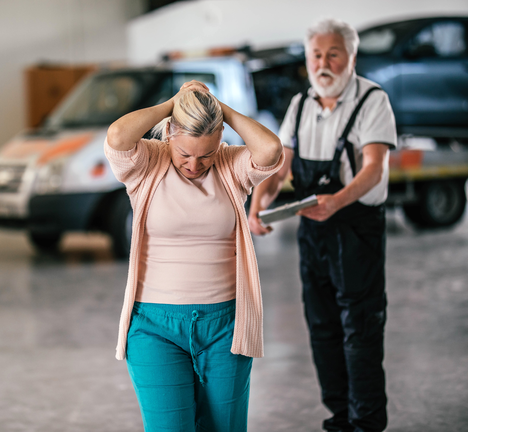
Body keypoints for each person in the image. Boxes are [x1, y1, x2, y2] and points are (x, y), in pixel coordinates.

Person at [105, 80, 284, 432]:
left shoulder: (231, 165)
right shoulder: (147, 163)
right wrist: (175, 102)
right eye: (185, 153)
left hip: (225, 327)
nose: (194, 164)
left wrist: (221, 109)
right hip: (155, 328)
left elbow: (270, 151)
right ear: (169, 134)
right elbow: (117, 136)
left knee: (225, 428)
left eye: (206, 154)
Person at [248, 18, 397, 432]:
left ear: (350, 56)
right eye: (316, 54)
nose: (323, 63)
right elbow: (280, 168)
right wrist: (261, 199)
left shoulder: (372, 101)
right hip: (314, 231)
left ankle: (366, 423)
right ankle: (340, 418)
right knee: (322, 327)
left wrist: (338, 201)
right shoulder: (300, 106)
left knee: (360, 328)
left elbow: (374, 169)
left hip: (356, 228)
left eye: (333, 54)